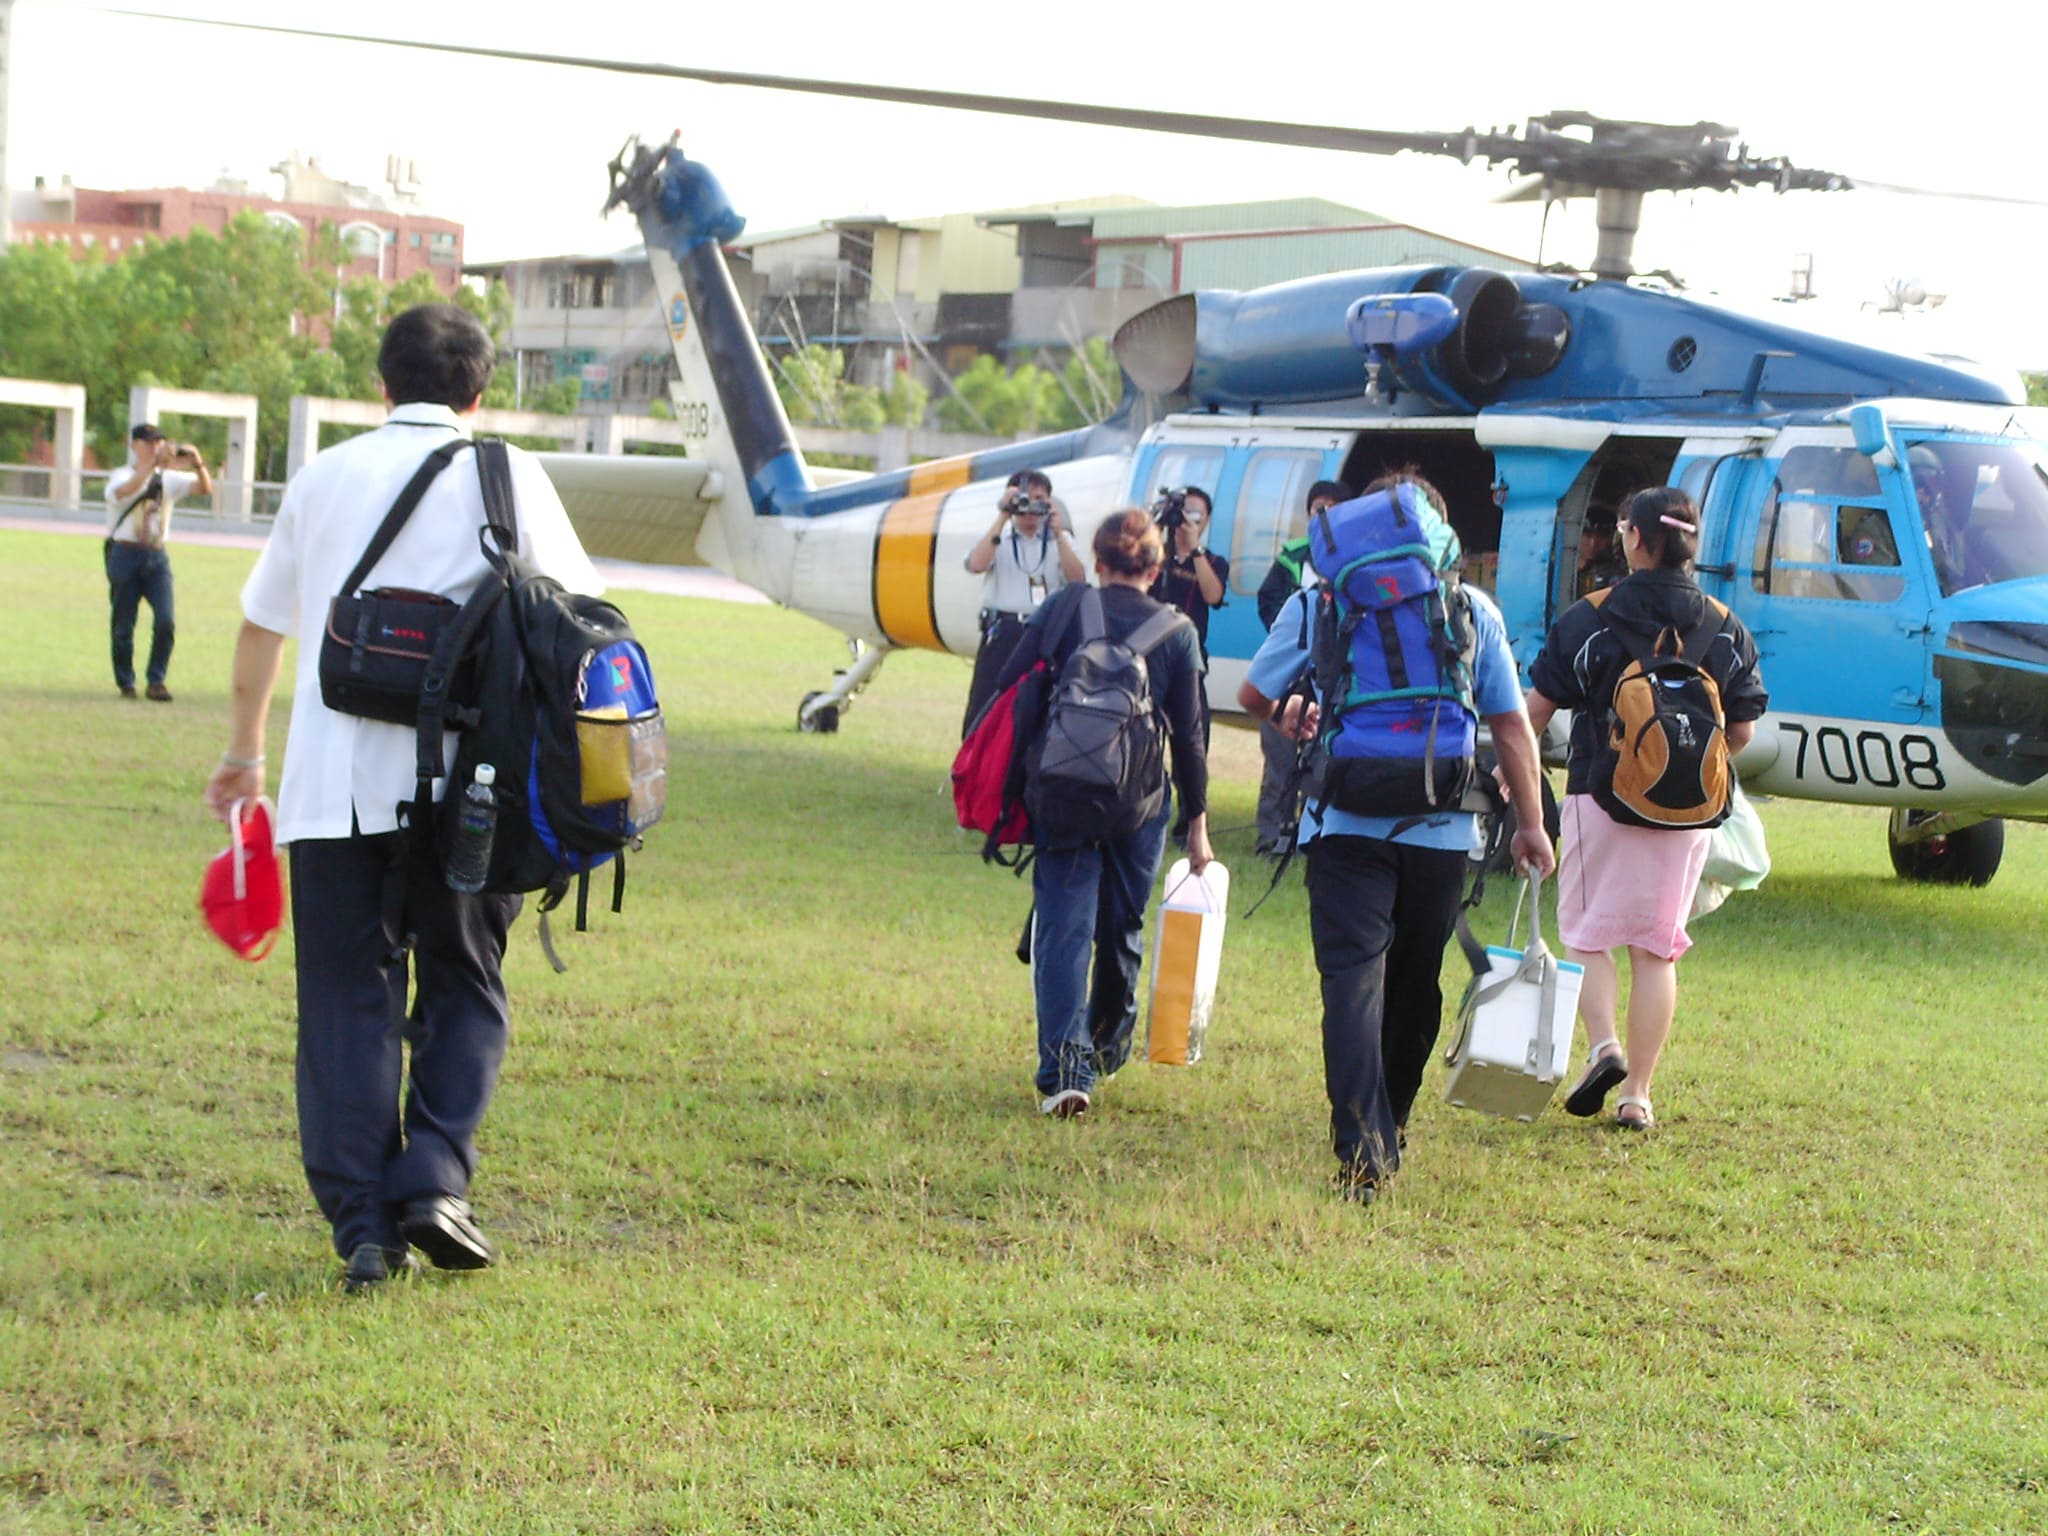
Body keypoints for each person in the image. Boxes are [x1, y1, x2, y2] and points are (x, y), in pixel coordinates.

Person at [203, 303, 601, 1293]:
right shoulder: (511, 474)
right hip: (474, 795)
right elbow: (581, 626)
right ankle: (435, 1180)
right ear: (479, 393)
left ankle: (363, 1228)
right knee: (465, 982)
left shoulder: (325, 476)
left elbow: (262, 626)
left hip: (333, 792)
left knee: (345, 1000)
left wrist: (244, 756)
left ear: (380, 385)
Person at [1237, 473, 1553, 1204]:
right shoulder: (1472, 608)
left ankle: (1361, 1150)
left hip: (1342, 824)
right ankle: (1394, 1124)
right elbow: (1511, 726)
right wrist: (1531, 826)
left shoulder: (1320, 600)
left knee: (1351, 984)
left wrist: (1292, 716)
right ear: (1437, 535)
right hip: (1442, 829)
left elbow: (1255, 694)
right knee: (1414, 984)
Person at [1524, 485, 1767, 1130]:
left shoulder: (1590, 617)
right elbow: (1741, 731)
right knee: (1657, 950)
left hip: (1598, 798)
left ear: (1633, 536)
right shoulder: (1725, 626)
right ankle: (1638, 1095)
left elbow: (1535, 712)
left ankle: (1603, 1045)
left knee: (1587, 933)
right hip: (1688, 811)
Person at [987, 510, 1212, 1119]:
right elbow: (1190, 739)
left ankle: (1066, 1071)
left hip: (1061, 793)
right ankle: (1107, 1043)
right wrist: (1197, 824)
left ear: (1098, 559)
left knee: (1062, 927)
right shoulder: (1177, 631)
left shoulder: (1064, 608)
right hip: (1138, 804)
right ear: (1157, 567)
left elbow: (1011, 688)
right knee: (1120, 927)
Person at [1252, 479, 1352, 857]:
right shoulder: (1293, 557)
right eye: (1317, 508)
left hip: (1331, 679)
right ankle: (1271, 834)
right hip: (1291, 675)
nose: (1323, 514)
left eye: (1332, 507)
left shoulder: (1354, 556)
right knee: (1279, 757)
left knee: (1323, 759)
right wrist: (1297, 638)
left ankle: (1314, 837)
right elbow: (1268, 600)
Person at [961, 469, 1085, 734]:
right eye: (1024, 499)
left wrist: (1059, 533)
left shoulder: (1058, 541)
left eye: (1038, 499)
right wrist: (1003, 515)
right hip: (1004, 631)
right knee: (985, 709)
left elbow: (1078, 580)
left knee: (1037, 710)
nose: (1030, 508)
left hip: (1043, 636)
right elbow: (976, 564)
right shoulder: (999, 538)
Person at [104, 423, 212, 702]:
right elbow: (127, 490)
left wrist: (196, 461)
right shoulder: (121, 475)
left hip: (156, 555)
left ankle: (156, 680)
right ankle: (126, 682)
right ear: (135, 445)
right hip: (125, 553)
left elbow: (204, 488)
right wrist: (153, 464)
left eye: (159, 442)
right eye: (150, 442)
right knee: (123, 624)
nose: (156, 447)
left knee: (166, 620)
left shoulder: (168, 479)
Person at [1149, 486, 1228, 840]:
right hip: (1147, 657)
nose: (1186, 521)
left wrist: (1193, 548)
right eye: (1183, 513)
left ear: (1207, 520)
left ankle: (1187, 821)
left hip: (1188, 661)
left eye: (1196, 515)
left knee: (1192, 740)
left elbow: (1213, 595)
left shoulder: (1211, 561)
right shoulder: (1153, 555)